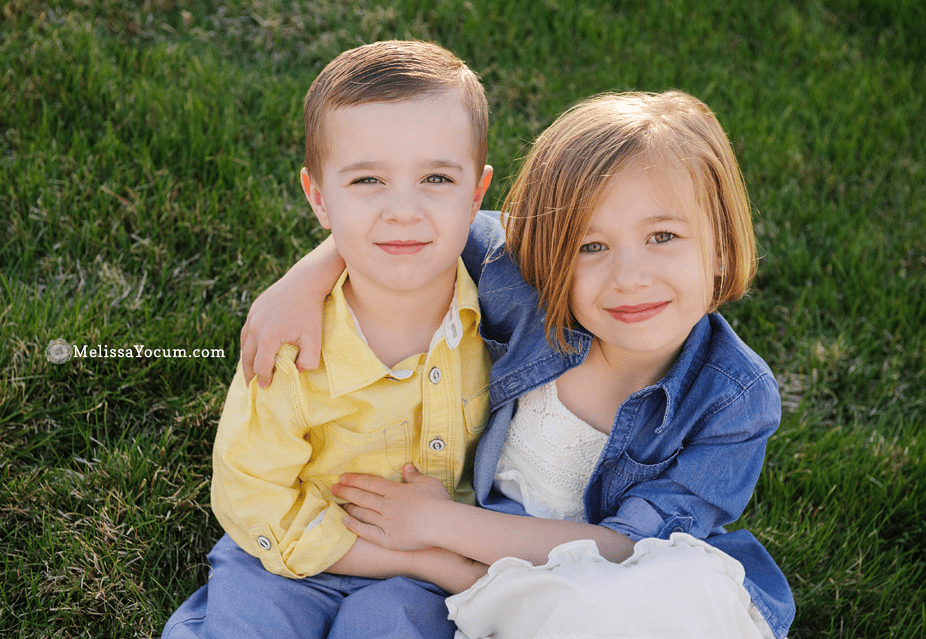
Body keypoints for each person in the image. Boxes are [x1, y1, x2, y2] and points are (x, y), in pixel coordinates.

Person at [240, 90, 796, 638]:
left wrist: (439, 523)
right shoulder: (520, 284)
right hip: (481, 553)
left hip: (613, 583)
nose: (630, 277)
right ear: (548, 254)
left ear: (721, 245)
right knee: (381, 617)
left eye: (663, 236)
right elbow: (424, 225)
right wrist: (303, 280)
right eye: (591, 246)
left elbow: (630, 549)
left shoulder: (733, 400)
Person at [163, 40, 495, 639]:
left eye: (436, 178)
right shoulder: (291, 342)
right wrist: (430, 561)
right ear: (319, 197)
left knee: (391, 627)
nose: (403, 209)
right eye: (367, 179)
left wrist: (425, 566)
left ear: (477, 194)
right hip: (288, 560)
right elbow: (253, 495)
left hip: (415, 583)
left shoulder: (502, 313)